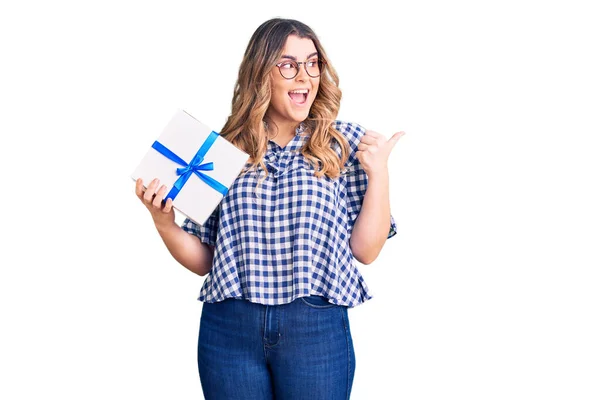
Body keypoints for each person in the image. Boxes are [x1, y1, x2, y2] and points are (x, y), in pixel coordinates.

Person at [134, 17, 404, 400]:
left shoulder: (343, 144)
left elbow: (367, 250)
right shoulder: (222, 152)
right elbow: (205, 262)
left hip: (315, 330)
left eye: (313, 63)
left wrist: (379, 174)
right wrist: (164, 223)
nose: (305, 77)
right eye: (289, 65)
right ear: (262, 73)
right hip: (229, 331)